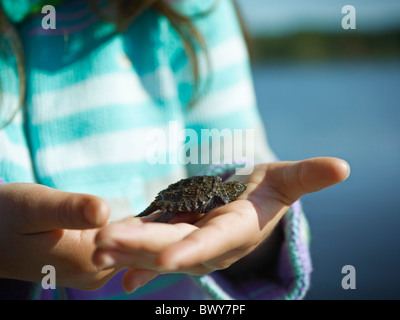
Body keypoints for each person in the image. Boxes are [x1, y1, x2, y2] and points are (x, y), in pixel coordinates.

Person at [0, 0, 350, 300]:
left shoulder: (194, 9)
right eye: (232, 193)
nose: (234, 193)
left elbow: (239, 162)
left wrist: (261, 232)